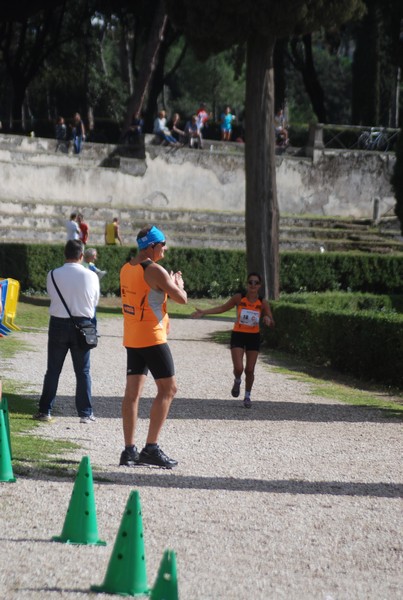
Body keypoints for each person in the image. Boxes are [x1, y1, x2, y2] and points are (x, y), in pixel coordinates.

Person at [119, 224, 187, 468]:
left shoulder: (127, 268)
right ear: (151, 247)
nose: (165, 248)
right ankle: (151, 448)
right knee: (169, 389)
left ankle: (129, 451)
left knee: (132, 394)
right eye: (163, 244)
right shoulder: (155, 269)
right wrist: (177, 282)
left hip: (133, 337)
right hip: (152, 337)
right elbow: (183, 299)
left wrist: (168, 282)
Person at [33, 240, 100, 423]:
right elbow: (94, 302)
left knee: (53, 370)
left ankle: (45, 410)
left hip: (58, 323)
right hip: (83, 324)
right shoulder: (91, 275)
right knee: (83, 371)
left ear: (65, 254)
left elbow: (52, 295)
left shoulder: (53, 274)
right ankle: (85, 413)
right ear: (81, 255)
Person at [191, 272, 274, 408]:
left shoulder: (262, 302)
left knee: (250, 369)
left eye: (256, 283)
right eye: (250, 282)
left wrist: (268, 320)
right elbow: (223, 308)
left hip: (254, 336)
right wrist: (204, 312)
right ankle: (237, 380)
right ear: (247, 284)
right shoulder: (238, 298)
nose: (253, 285)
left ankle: (247, 396)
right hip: (238, 334)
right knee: (239, 367)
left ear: (260, 286)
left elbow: (271, 320)